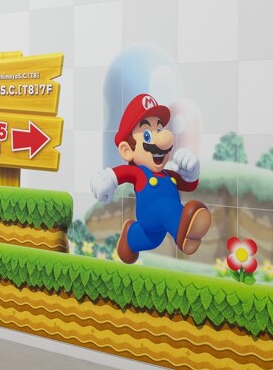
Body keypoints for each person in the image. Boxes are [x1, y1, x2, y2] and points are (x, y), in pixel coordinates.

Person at [90, 93, 212, 264]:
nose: (162, 139)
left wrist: (191, 172)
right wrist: (108, 178)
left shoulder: (168, 174)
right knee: (165, 205)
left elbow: (188, 185)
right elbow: (123, 173)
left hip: (162, 224)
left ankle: (130, 237)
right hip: (150, 213)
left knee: (151, 240)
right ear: (127, 150)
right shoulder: (140, 173)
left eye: (160, 130)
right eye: (147, 135)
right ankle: (183, 230)